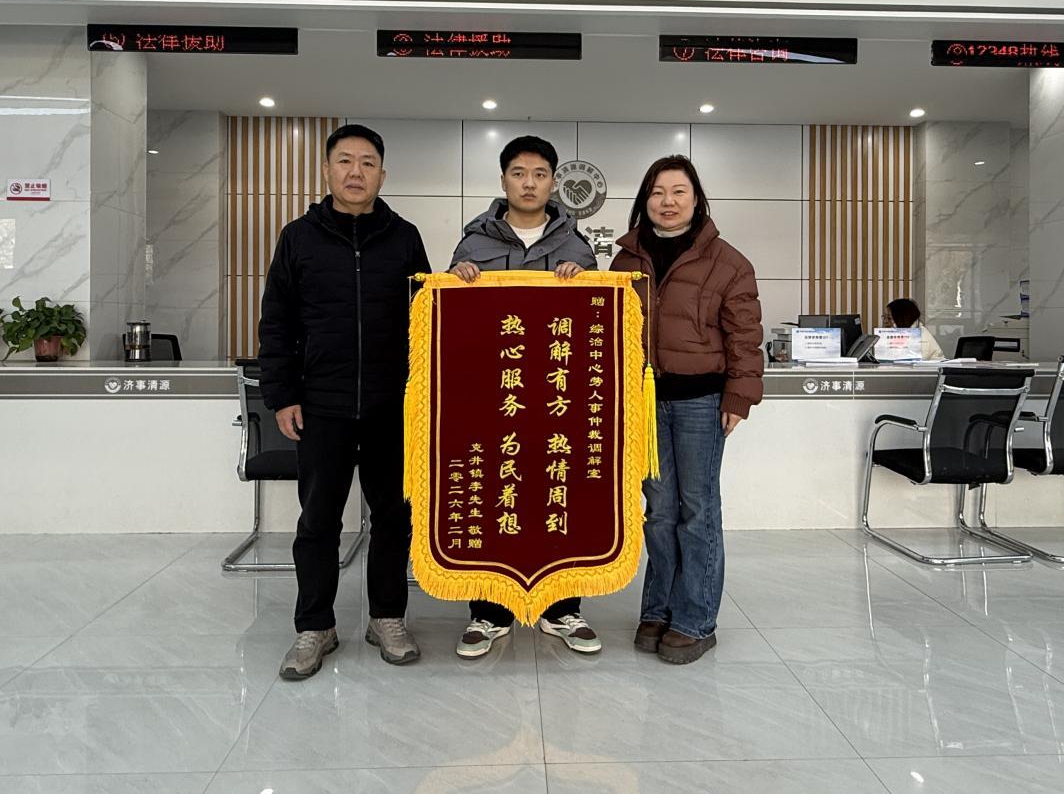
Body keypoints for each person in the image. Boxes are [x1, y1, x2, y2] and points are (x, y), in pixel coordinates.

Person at [259, 123, 431, 678]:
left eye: (367, 163)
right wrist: (282, 394)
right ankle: (315, 625)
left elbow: (427, 321)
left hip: (391, 406)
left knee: (393, 517)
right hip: (321, 405)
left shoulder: (404, 238)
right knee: (318, 521)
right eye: (345, 161)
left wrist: (424, 396)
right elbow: (277, 321)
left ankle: (387, 617)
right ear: (327, 170)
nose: (356, 172)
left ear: (383, 174)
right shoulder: (298, 238)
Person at [447, 134, 603, 658]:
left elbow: (597, 326)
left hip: (559, 400)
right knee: (495, 497)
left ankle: (563, 609)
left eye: (539, 174)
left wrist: (584, 283)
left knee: (559, 495)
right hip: (493, 401)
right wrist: (457, 281)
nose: (529, 183)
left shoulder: (576, 247)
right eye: (518, 173)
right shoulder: (473, 245)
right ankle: (489, 614)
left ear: (554, 183)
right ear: (503, 180)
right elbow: (449, 325)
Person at [611, 155, 763, 664]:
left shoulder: (728, 262)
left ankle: (696, 619)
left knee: (697, 510)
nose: (668, 202)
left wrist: (739, 397)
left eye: (679, 191)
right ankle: (658, 609)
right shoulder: (626, 261)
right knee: (659, 512)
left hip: (702, 403)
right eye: (657, 192)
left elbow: (745, 338)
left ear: (697, 199)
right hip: (644, 404)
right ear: (644, 200)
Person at [882, 298, 946, 360]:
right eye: (884, 317)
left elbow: (905, 361)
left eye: (889, 318)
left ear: (902, 319)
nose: (885, 321)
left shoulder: (921, 338)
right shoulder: (900, 333)